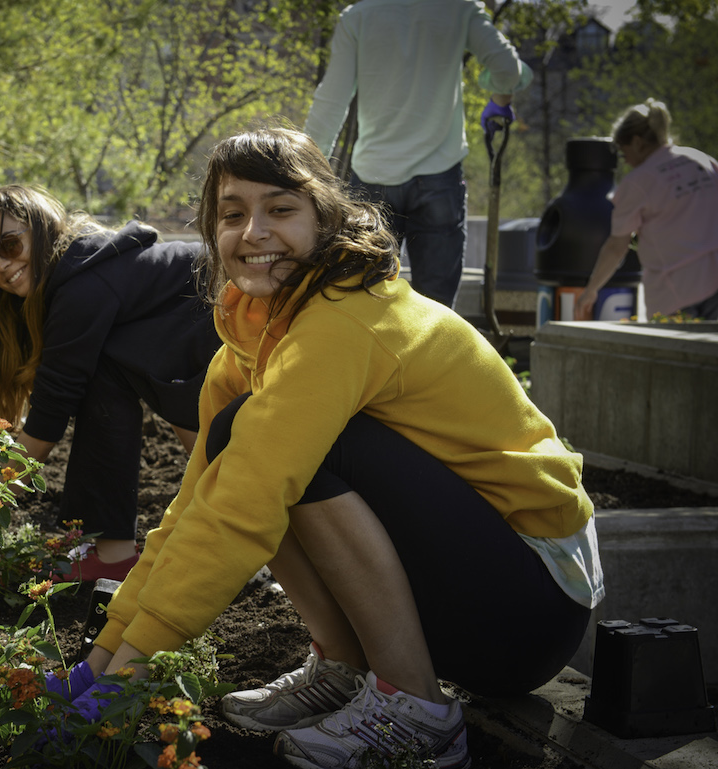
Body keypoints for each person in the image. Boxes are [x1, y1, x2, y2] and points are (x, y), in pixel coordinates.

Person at [67, 127, 602, 769]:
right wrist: (102, 656)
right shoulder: (248, 350)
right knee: (248, 439)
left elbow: (242, 512)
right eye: (232, 214)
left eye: (282, 209)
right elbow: (197, 510)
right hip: (464, 596)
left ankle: (417, 708)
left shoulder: (343, 322)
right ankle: (346, 668)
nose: (254, 231)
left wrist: (130, 673)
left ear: (326, 218)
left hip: (528, 610)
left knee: (299, 453)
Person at [0, 185, 220, 582]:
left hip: (226, 310)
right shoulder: (72, 275)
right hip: (183, 340)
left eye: (10, 245)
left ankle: (244, 542)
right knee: (102, 373)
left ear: (42, 228)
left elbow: (47, 424)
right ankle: (114, 554)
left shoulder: (80, 286)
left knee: (232, 470)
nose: (2, 268)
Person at [303, 0, 533, 308]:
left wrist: (306, 174)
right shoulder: (458, 9)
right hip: (439, 177)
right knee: (435, 313)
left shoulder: (359, 17)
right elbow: (507, 68)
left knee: (364, 305)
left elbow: (331, 102)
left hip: (373, 178)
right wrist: (499, 98)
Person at [575, 99, 718, 321]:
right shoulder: (703, 161)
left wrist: (591, 290)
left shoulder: (638, 182)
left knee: (674, 355)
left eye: (624, 153)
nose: (626, 161)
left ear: (637, 142)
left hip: (677, 294)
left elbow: (616, 247)